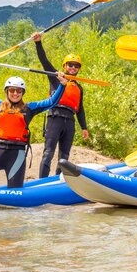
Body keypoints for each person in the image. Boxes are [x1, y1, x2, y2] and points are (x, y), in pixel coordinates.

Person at [0, 58, 68, 188]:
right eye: (12, 90)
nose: (15, 93)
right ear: (6, 91)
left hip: (17, 156)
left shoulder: (29, 108)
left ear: (23, 93)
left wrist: (62, 85)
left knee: (15, 192)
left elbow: (51, 102)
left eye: (19, 91)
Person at [32, 32, 89, 178]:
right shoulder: (56, 78)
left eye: (76, 66)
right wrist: (38, 42)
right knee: (48, 153)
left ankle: (57, 181)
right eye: (70, 65)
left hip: (69, 121)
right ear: (65, 65)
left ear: (79, 68)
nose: (73, 67)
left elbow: (80, 110)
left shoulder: (79, 88)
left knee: (64, 157)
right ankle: (42, 181)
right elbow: (44, 61)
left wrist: (84, 127)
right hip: (55, 118)